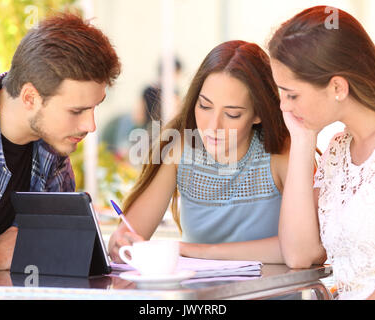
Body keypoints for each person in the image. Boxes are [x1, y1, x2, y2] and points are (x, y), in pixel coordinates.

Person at [0, 13, 121, 275]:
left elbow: (55, 253)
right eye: (76, 111)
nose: (90, 126)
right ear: (30, 97)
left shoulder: (52, 150)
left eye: (94, 109)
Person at [268, 6, 375, 299]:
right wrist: (303, 140)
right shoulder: (337, 151)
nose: (283, 107)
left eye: (292, 95)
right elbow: (299, 254)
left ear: (337, 87)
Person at [109, 40, 290, 263]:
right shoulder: (181, 148)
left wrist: (199, 251)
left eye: (232, 114)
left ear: (258, 114)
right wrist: (120, 242)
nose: (213, 126)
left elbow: (305, 250)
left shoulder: (282, 153)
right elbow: (129, 236)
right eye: (204, 106)